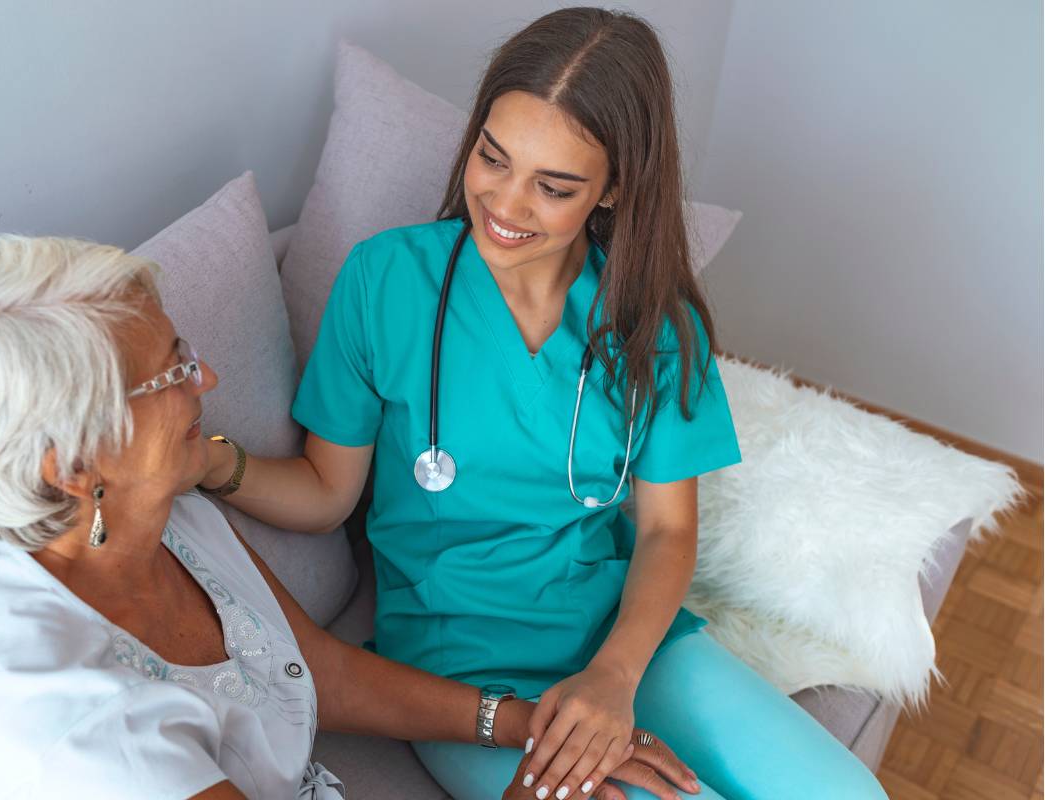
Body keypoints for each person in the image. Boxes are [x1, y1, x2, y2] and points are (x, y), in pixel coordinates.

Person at [199, 8, 890, 800]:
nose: (507, 205)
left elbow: (667, 529)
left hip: (624, 640)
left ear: (614, 187)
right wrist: (214, 462)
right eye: (493, 158)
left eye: (554, 187)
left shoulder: (654, 324)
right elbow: (326, 494)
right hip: (460, 666)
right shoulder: (384, 282)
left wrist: (614, 677)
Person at [0, 235, 694, 798]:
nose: (204, 379)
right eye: (170, 372)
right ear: (71, 464)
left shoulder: (149, 510)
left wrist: (526, 726)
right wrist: (540, 788)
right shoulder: (82, 739)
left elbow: (309, 666)